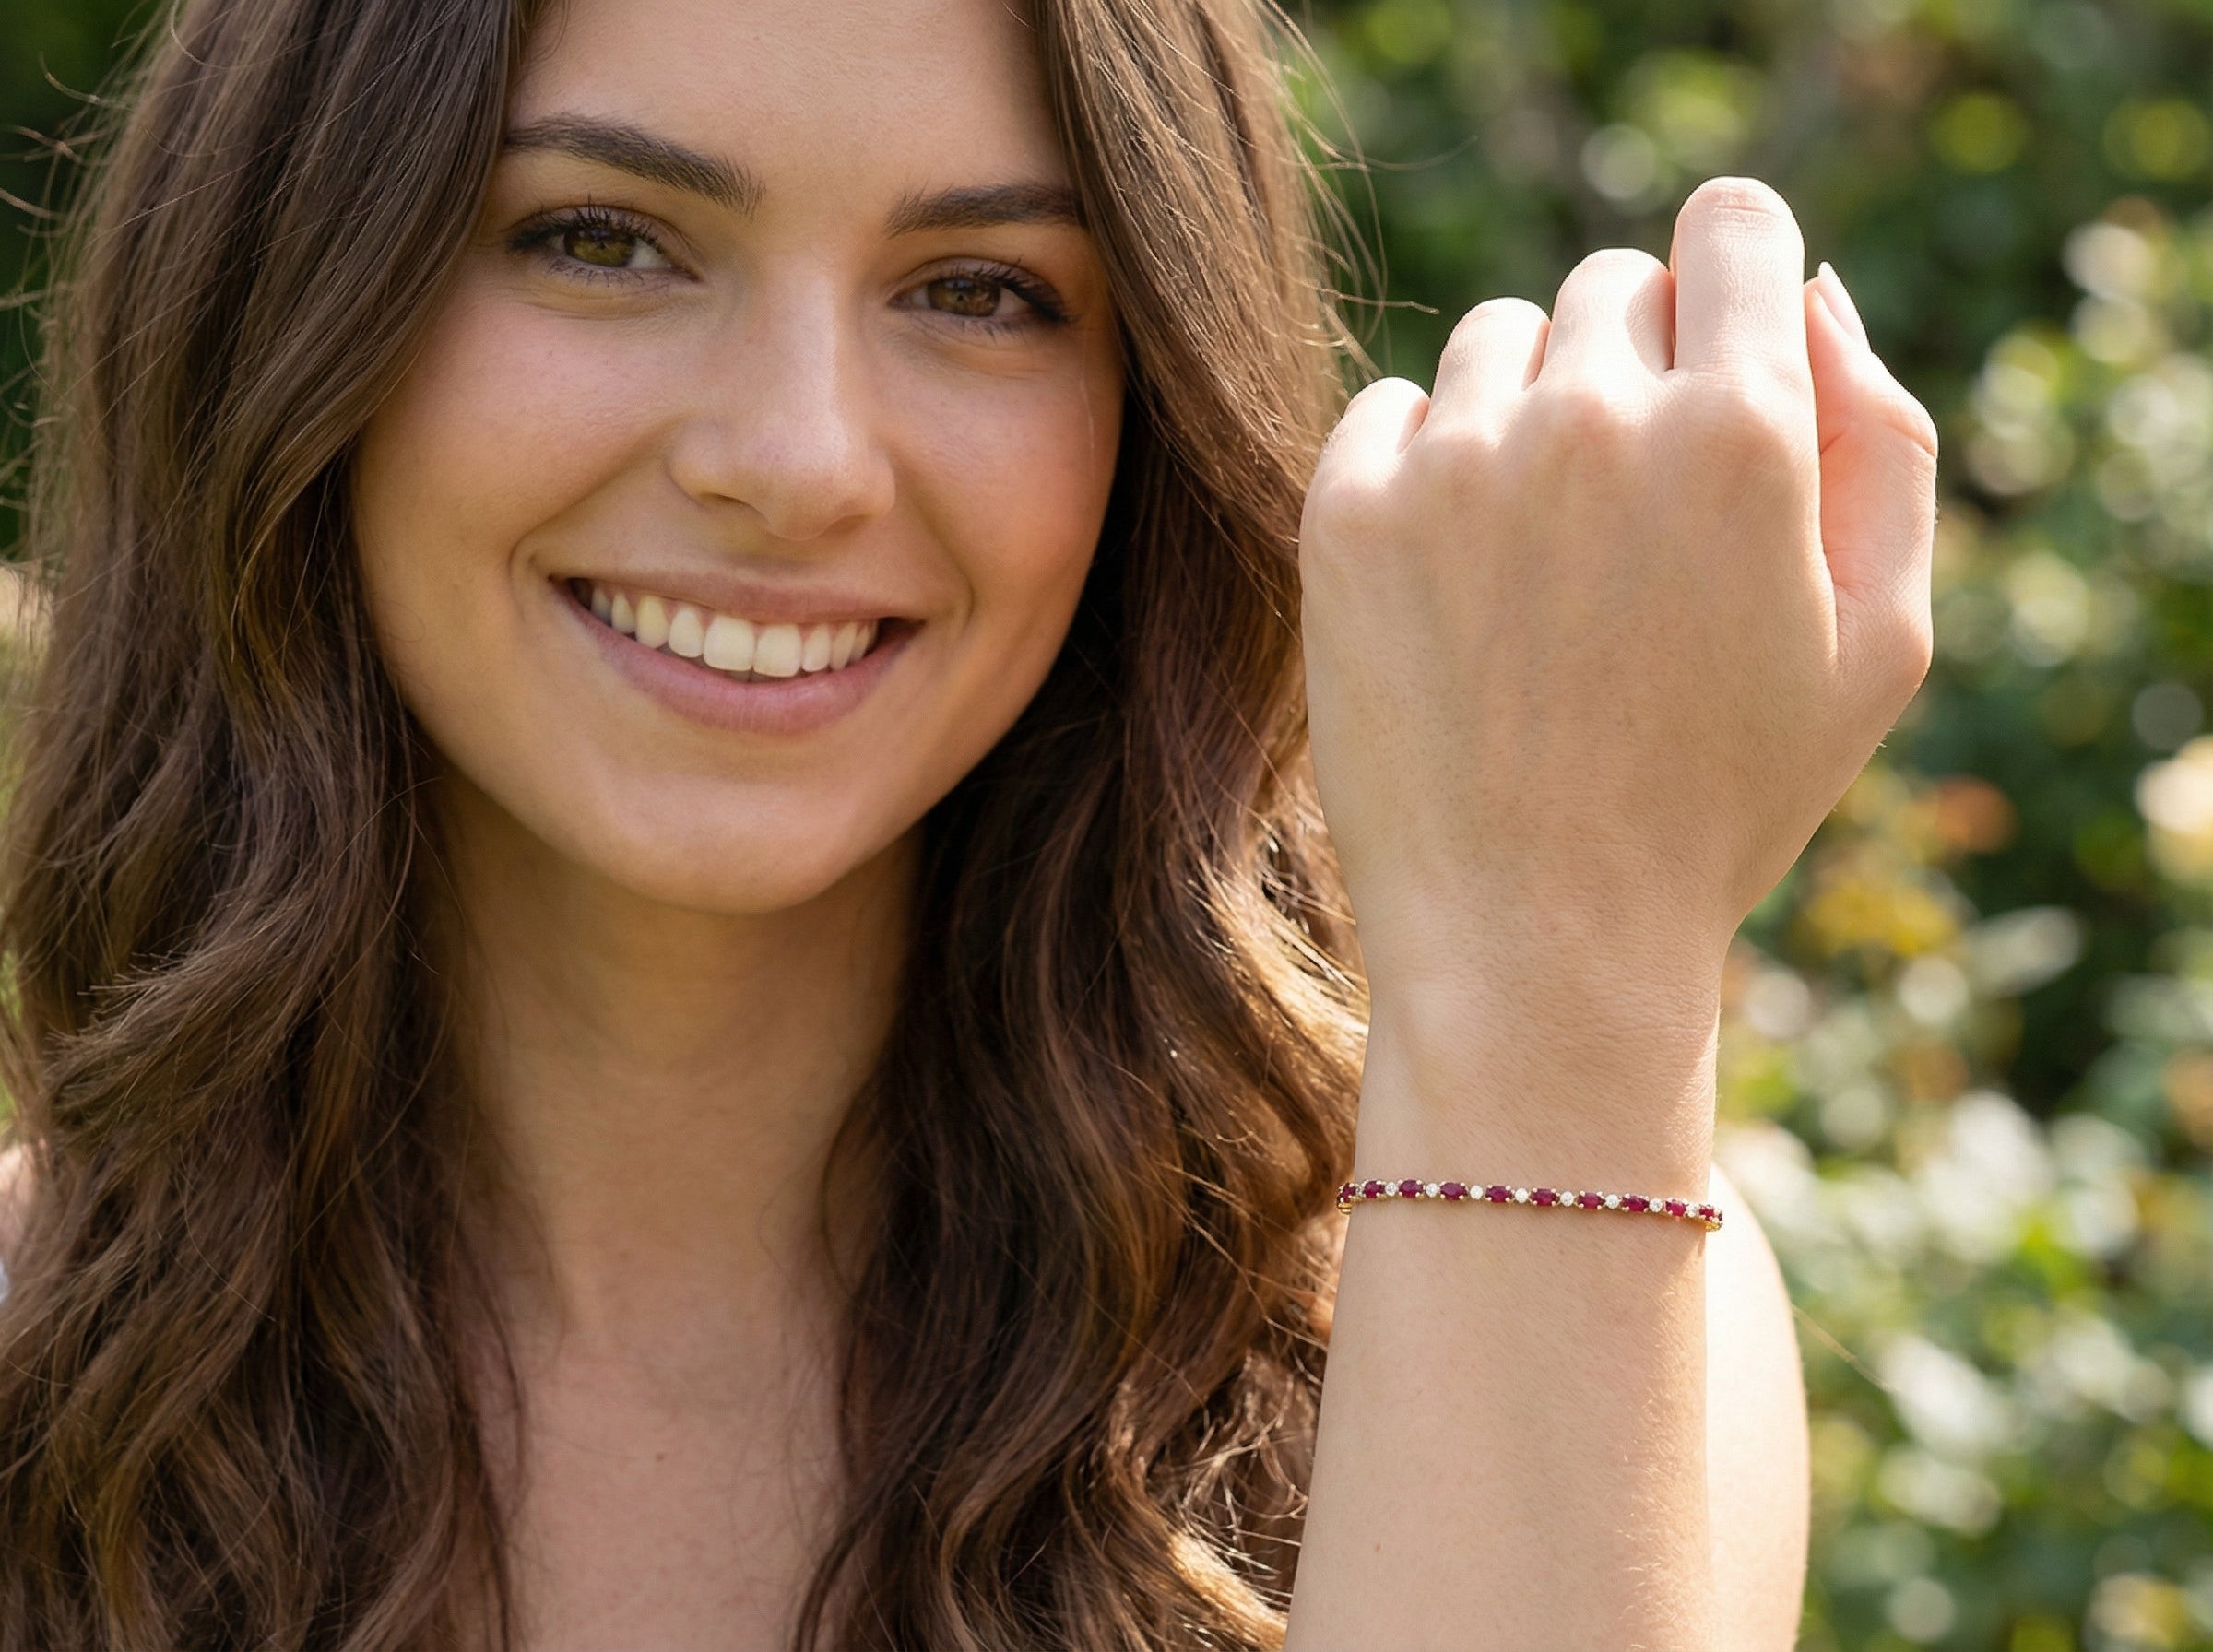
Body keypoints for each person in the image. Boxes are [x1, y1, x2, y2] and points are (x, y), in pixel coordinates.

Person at [0, 0, 1936, 1645]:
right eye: (604, 239)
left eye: (982, 291)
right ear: (285, 301)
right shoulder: (34, 1363)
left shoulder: (1503, 1271)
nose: (800, 460)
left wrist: (1564, 950)